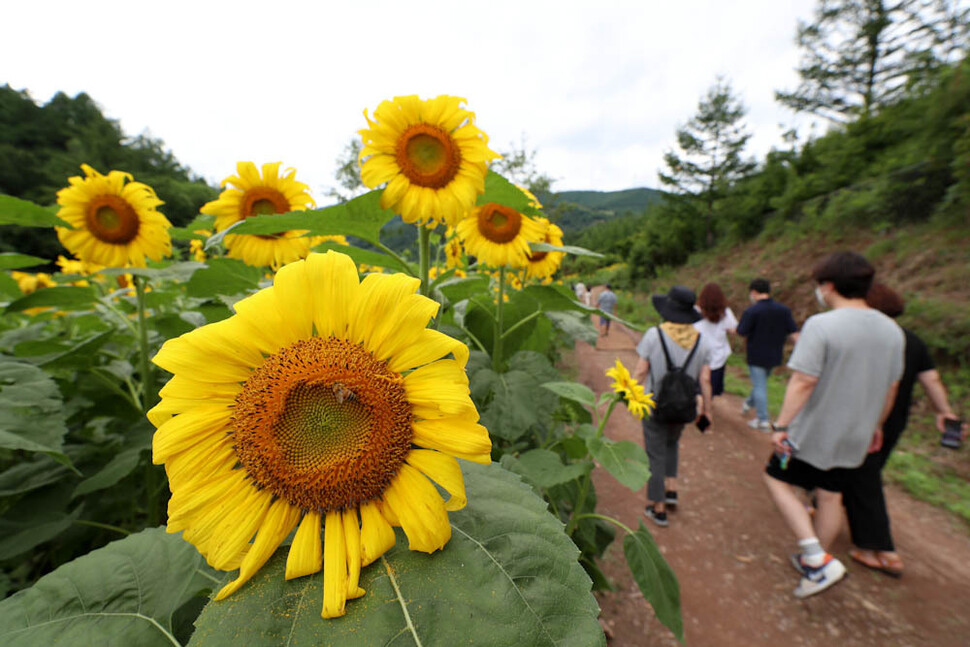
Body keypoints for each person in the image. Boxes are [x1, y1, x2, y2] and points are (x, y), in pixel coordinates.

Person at [764, 251, 904, 598]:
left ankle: (815, 556)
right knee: (830, 496)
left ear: (827, 286)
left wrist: (780, 425)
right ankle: (816, 560)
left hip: (813, 433)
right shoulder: (892, 331)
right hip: (856, 434)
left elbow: (803, 382)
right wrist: (877, 426)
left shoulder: (822, 325)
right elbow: (892, 388)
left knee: (776, 479)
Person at [841, 282, 965, 577]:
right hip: (895, 421)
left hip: (864, 418)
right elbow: (931, 380)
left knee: (865, 478)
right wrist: (944, 411)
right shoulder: (914, 341)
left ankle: (881, 549)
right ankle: (822, 502)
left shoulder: (867, 338)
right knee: (860, 472)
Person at [633, 285, 713, 528]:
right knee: (672, 444)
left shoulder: (653, 335)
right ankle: (671, 489)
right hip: (684, 408)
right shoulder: (702, 341)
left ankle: (658, 508)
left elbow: (640, 371)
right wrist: (707, 410)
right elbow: (705, 380)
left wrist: (631, 396)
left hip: (654, 405)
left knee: (654, 453)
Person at [736, 278, 798, 430]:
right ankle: (749, 403)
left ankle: (763, 420)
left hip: (756, 354)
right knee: (760, 384)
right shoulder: (784, 310)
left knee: (759, 386)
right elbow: (793, 332)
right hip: (776, 354)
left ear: (754, 292)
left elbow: (741, 331)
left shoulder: (752, 311)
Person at [693, 283, 737, 398]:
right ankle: (706, 407)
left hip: (698, 354)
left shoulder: (695, 310)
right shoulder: (725, 312)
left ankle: (699, 407)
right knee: (711, 387)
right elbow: (733, 330)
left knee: (698, 386)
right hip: (718, 356)